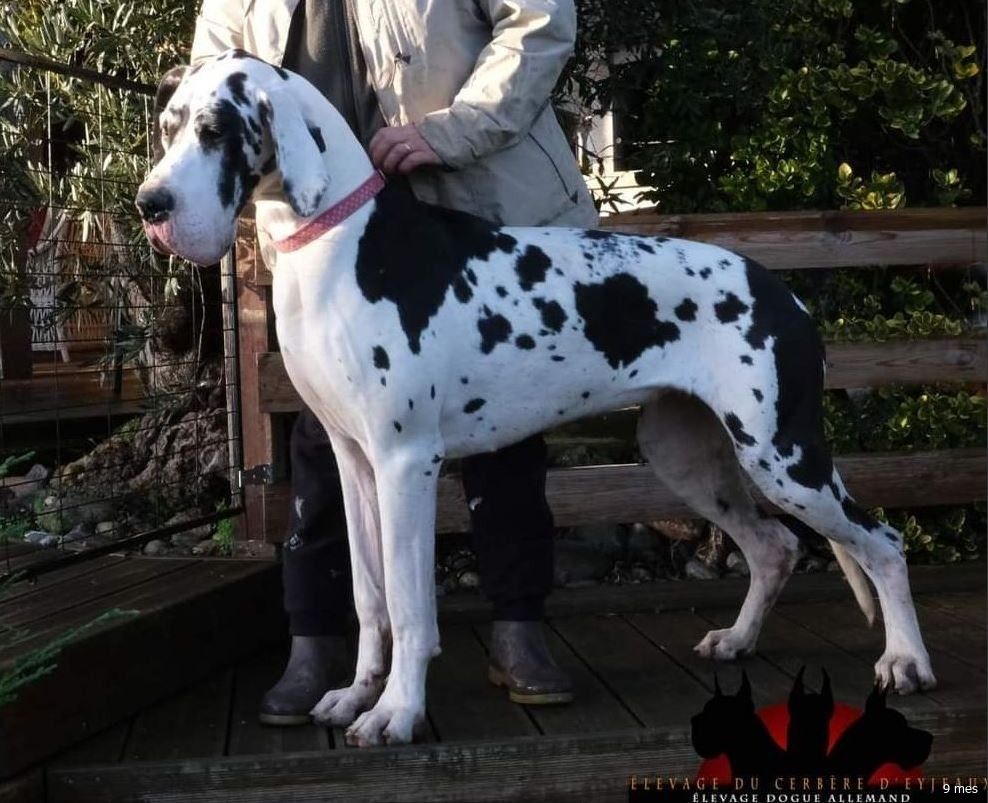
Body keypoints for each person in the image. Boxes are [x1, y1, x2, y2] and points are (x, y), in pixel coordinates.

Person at [190, 0, 599, 725]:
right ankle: (319, 639)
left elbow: (539, 20)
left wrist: (451, 131)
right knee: (323, 441)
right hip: (320, 230)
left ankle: (517, 629)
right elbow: (208, 82)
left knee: (504, 435)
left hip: (469, 198)